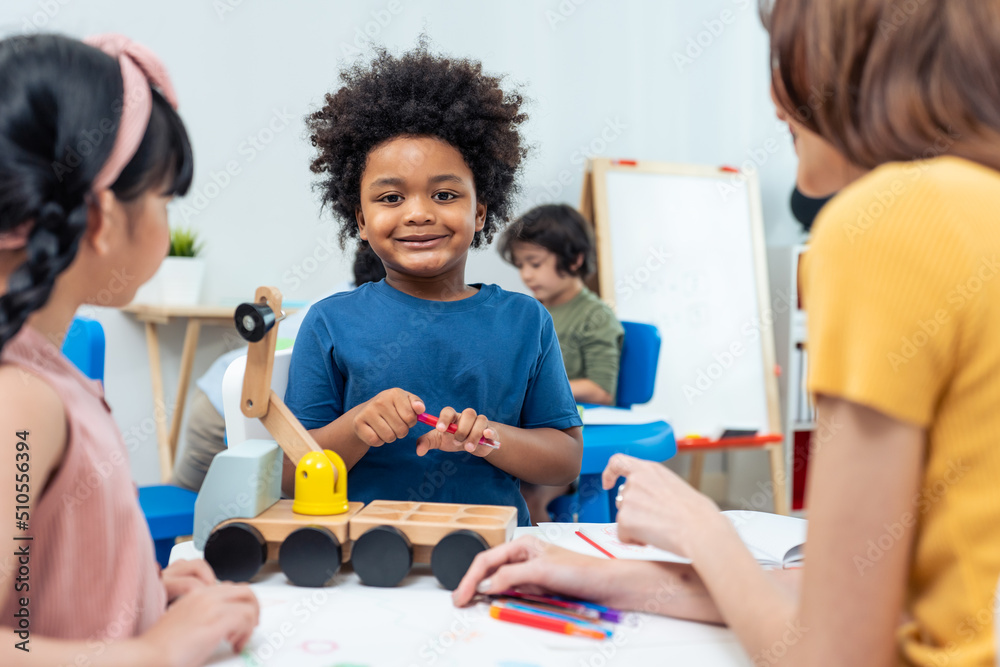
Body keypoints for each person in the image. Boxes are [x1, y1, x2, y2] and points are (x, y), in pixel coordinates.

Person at [454, 1, 1000, 664]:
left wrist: (699, 525)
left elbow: (830, 653)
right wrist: (599, 576)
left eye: (791, 61)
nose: (777, 103)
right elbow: (851, 598)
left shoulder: (889, 224)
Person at [0, 34, 258, 666]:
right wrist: (154, 652)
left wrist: (135, 599)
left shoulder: (41, 378)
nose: (168, 224)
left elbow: (33, 608)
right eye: (165, 199)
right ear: (103, 217)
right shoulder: (20, 399)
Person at [284, 45, 584, 527]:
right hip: (366, 555)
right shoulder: (330, 322)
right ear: (360, 219)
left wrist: (491, 440)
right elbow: (291, 473)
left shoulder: (526, 321)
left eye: (444, 194)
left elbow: (565, 459)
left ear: (480, 211)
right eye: (391, 197)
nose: (419, 212)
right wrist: (358, 426)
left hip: (493, 554)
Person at [171, 241, 386, 492]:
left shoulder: (350, 298)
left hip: (243, 400)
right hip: (220, 407)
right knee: (191, 496)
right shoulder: (346, 312)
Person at [499, 204, 624, 523]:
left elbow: (600, 389)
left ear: (574, 259)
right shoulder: (529, 312)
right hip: (527, 434)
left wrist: (542, 391)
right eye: (521, 265)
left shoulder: (595, 316)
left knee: (528, 496)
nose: (526, 274)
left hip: (566, 442)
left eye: (535, 263)